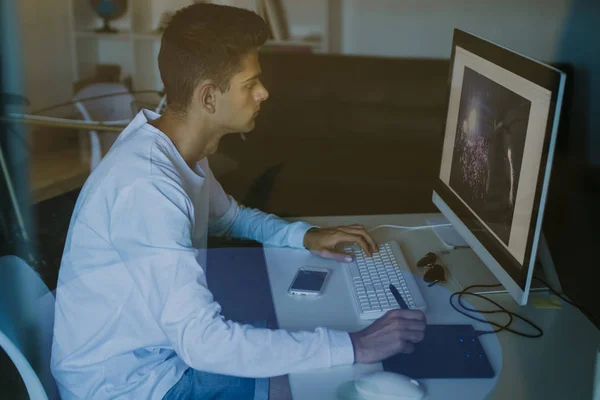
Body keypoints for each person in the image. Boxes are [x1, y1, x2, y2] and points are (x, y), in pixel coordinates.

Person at [50, 3, 426, 399]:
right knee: (320, 384)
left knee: (310, 363)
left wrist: (304, 236)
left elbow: (228, 217)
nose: (264, 93)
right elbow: (203, 342)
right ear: (209, 97)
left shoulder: (176, 147)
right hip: (132, 387)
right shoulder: (147, 189)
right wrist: (357, 345)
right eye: (250, 84)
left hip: (164, 355)